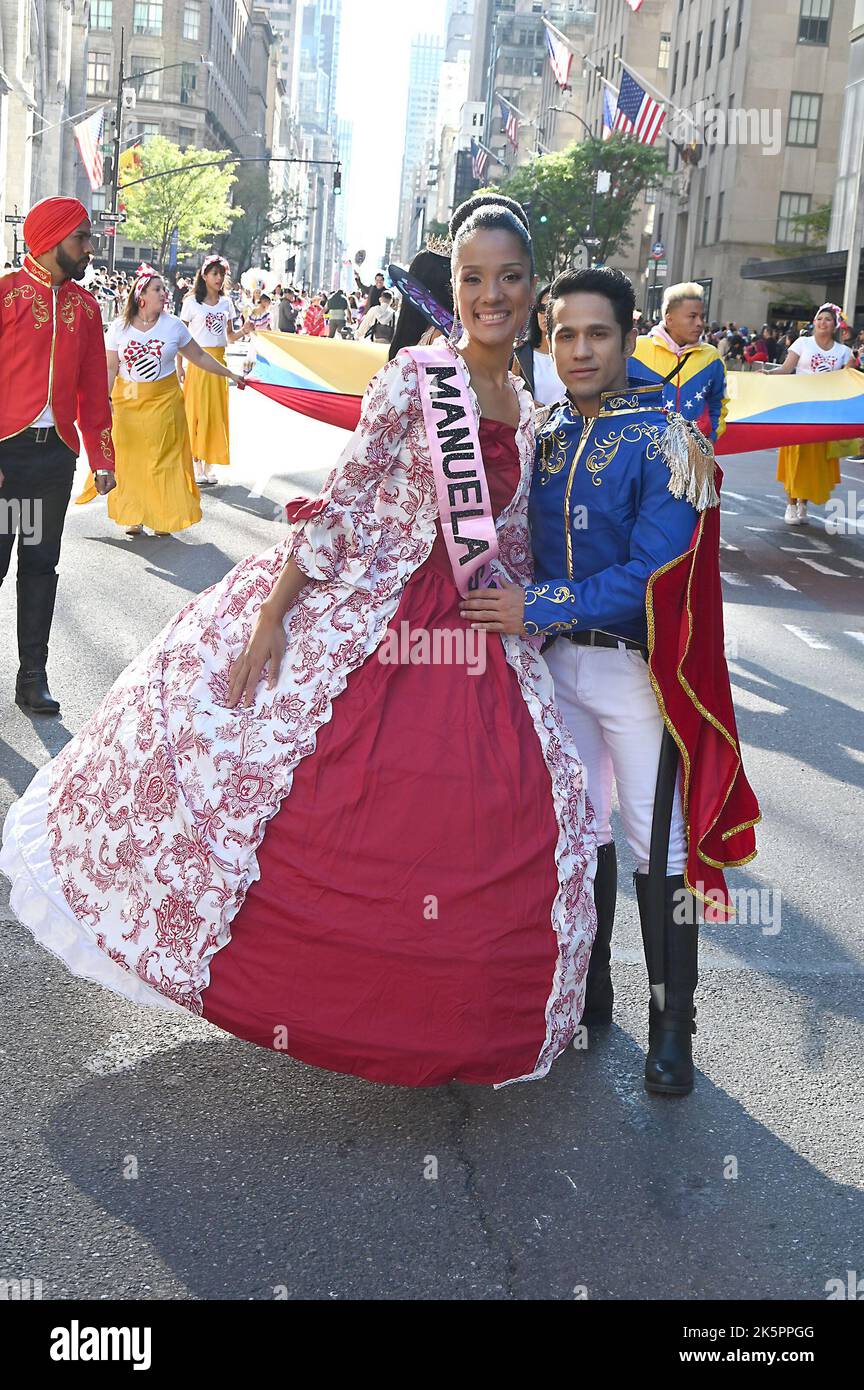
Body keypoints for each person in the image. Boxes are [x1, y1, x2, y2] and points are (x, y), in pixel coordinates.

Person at [0, 194, 597, 1089]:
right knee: (307, 792)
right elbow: (348, 503)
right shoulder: (415, 378)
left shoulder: (535, 400)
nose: (491, 295)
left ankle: (446, 1020)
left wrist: (533, 612)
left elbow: (511, 540)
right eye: (473, 278)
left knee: (490, 817)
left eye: (510, 279)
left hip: (474, 628)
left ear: (533, 290)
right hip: (378, 607)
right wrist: (274, 614)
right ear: (456, 286)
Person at [462, 266, 760, 1097]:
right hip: (556, 669)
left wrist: (536, 604)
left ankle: (674, 1029)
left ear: (632, 340)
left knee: (655, 851)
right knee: (577, 833)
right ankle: (587, 999)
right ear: (547, 342)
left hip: (638, 677)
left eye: (598, 334)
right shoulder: (544, 431)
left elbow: (653, 572)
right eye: (564, 334)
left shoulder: (670, 435)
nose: (580, 349)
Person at [0, 196, 116, 716]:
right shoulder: (5, 296)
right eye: (81, 238)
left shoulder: (87, 308)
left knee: (41, 566)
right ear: (50, 242)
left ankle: (32, 679)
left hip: (54, 462)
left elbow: (94, 387)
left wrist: (102, 456)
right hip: (8, 459)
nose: (90, 248)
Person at [77, 267, 245, 537]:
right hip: (128, 405)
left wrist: (230, 374)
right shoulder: (119, 328)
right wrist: (105, 399)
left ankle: (162, 517)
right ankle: (134, 514)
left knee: (163, 462)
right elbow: (110, 369)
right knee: (132, 461)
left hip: (166, 404)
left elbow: (199, 357)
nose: (164, 294)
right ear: (140, 295)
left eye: (163, 289)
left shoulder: (174, 326)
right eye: (157, 289)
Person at [771, 303, 855, 524]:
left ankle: (803, 505)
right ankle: (790, 504)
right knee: (795, 456)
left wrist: (845, 370)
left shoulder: (843, 352)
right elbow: (786, 369)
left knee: (813, 460)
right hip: (798, 408)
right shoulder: (803, 343)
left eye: (827, 319)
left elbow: (848, 381)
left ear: (835, 325)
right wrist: (767, 374)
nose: (822, 323)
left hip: (823, 412)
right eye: (819, 319)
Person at [179, 254, 251, 486]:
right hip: (197, 364)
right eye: (215, 274)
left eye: (222, 274)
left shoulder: (226, 303)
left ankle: (209, 463)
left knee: (215, 414)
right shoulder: (190, 303)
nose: (219, 278)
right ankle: (196, 462)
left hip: (220, 364)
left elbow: (229, 337)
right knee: (197, 413)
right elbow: (181, 337)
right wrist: (180, 366)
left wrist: (245, 330)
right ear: (204, 275)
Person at [629, 281, 729, 442]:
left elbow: (719, 402)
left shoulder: (712, 357)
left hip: (691, 455)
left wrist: (711, 436)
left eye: (702, 317)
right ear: (669, 319)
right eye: (692, 316)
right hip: (640, 450)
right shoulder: (635, 349)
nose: (700, 323)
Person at [513, 282, 566, 405]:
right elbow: (509, 391)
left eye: (551, 308)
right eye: (541, 309)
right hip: (534, 422)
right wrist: (526, 403)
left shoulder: (577, 352)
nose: (545, 315)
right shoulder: (520, 353)